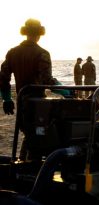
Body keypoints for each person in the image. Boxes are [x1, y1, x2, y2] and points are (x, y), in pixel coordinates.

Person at [0, 18, 69, 159]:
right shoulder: (42, 53)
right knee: (41, 136)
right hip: (38, 104)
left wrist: (7, 99)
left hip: (21, 101)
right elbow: (47, 80)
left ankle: (22, 164)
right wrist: (66, 91)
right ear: (39, 34)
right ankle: (33, 167)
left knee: (29, 134)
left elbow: (3, 79)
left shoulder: (13, 52)